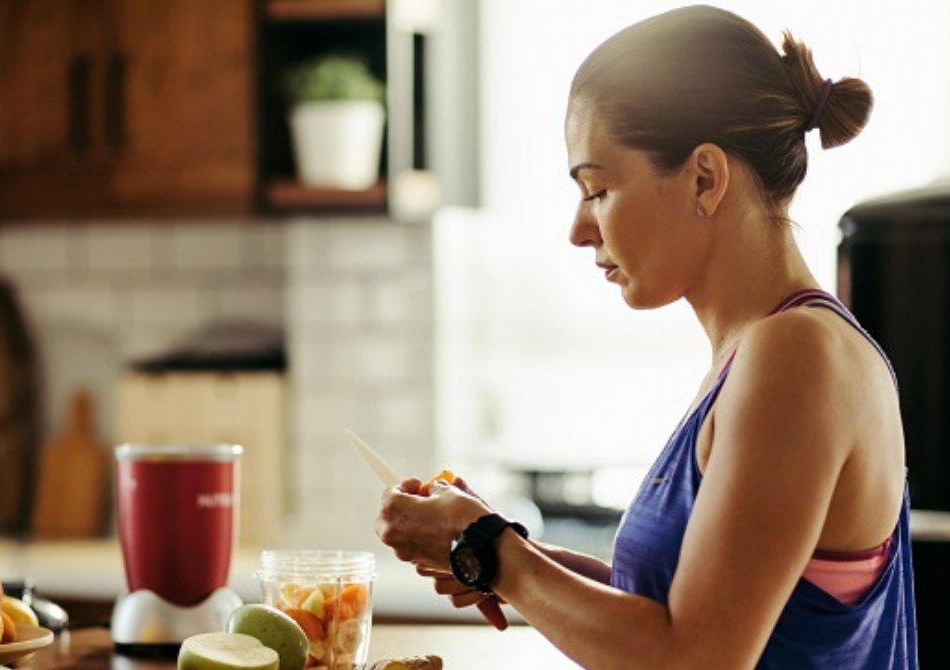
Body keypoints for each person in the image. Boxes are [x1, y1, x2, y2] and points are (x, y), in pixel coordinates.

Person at [375, 5, 917, 669]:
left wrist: (490, 550)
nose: (579, 229)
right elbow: (686, 612)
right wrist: (501, 551)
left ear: (705, 178)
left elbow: (698, 659)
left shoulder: (797, 355)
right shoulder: (760, 353)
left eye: (597, 189)